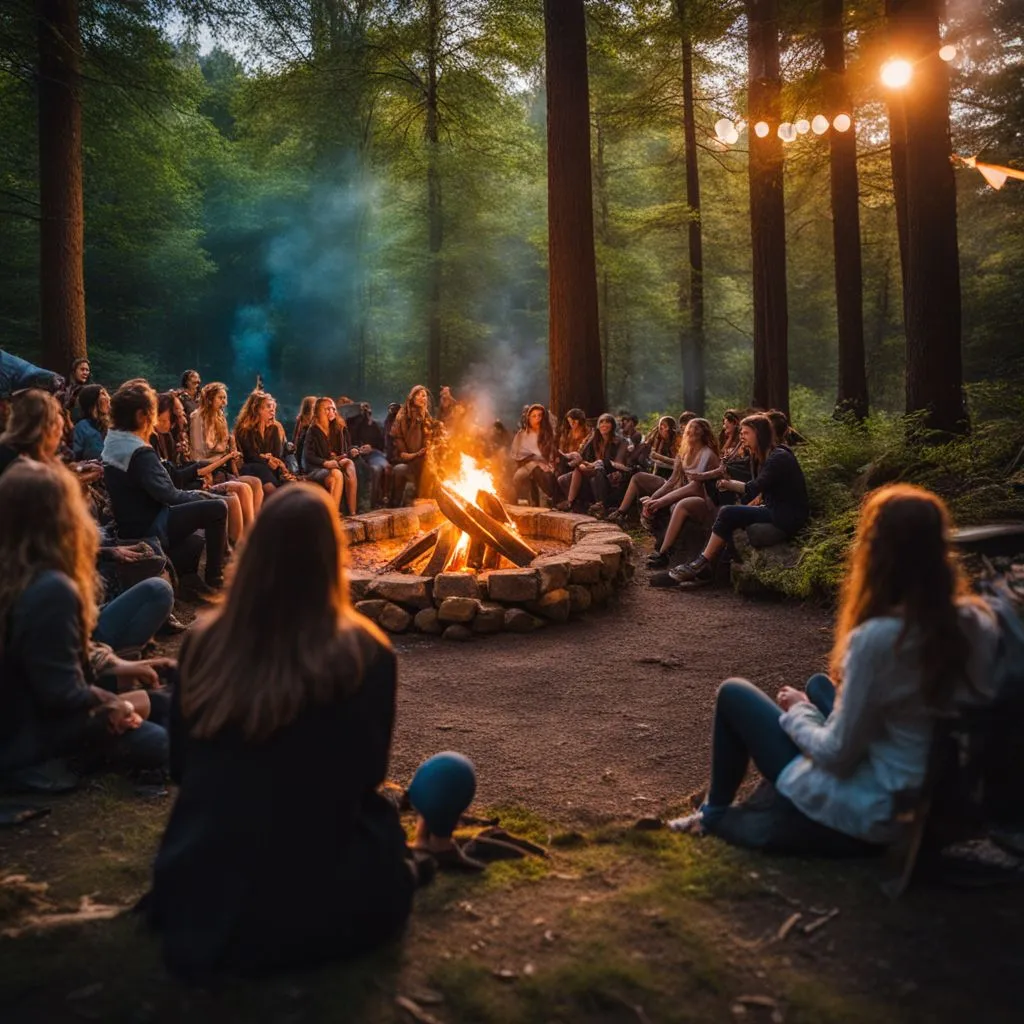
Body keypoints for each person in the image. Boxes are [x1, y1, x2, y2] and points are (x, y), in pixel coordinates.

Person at [143, 484, 477, 978]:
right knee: (413, 806)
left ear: (255, 549)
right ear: (330, 557)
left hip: (202, 892)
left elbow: (182, 767)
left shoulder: (201, 643)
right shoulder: (365, 653)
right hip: (315, 899)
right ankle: (428, 845)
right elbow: (366, 777)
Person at [666, 484, 1000, 849]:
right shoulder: (976, 622)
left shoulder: (879, 638)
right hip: (940, 790)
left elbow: (838, 756)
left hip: (881, 804)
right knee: (819, 684)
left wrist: (799, 713)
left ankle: (713, 815)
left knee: (735, 694)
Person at [0, 460, 172, 777]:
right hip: (30, 737)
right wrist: (115, 704)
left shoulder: (19, 571)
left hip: (28, 714)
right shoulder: (51, 589)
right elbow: (62, 693)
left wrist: (120, 666)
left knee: (164, 704)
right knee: (160, 740)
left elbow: (57, 661)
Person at [103, 381, 229, 591]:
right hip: (149, 525)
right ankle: (215, 577)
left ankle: (188, 580)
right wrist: (201, 497)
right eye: (152, 412)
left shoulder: (114, 441)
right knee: (217, 509)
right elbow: (169, 495)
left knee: (194, 542)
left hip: (133, 522)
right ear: (142, 415)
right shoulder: (138, 451)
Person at [667, 414, 809, 585]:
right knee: (728, 513)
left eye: (746, 433)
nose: (741, 437)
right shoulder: (761, 457)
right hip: (773, 509)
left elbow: (753, 487)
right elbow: (754, 492)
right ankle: (710, 568)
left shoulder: (779, 457)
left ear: (759, 434)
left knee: (728, 512)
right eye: (741, 433)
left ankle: (701, 564)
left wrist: (729, 484)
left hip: (786, 515)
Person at [152, 393, 253, 546]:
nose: (182, 415)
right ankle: (233, 551)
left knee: (247, 486)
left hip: (196, 475)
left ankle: (246, 541)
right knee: (232, 498)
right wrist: (203, 472)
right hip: (184, 485)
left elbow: (176, 468)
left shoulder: (168, 437)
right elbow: (178, 475)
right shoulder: (160, 436)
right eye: (178, 412)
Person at [643, 418, 722, 569]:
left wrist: (662, 501)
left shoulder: (708, 454)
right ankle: (665, 546)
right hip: (690, 496)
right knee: (665, 505)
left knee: (680, 505)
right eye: (688, 430)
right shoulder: (684, 453)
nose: (691, 433)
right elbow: (672, 481)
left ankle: (664, 554)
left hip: (707, 502)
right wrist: (653, 499)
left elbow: (695, 488)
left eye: (695, 430)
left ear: (703, 434)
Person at [189, 381, 263, 515]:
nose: (224, 402)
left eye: (225, 398)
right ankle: (241, 532)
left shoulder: (219, 416)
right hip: (208, 470)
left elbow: (224, 445)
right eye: (221, 398)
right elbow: (200, 453)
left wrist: (231, 449)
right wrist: (225, 448)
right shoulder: (198, 417)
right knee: (242, 488)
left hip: (222, 467)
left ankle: (252, 528)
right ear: (210, 399)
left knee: (256, 482)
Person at [607, 416, 679, 524]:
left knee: (637, 477)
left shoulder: (678, 442)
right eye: (661, 426)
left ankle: (621, 513)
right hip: (661, 475)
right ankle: (625, 514)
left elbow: (680, 464)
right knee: (635, 477)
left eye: (665, 426)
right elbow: (646, 457)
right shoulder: (659, 441)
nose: (662, 429)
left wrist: (660, 458)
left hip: (672, 480)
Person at [556, 413, 629, 516]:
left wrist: (598, 463)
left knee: (598, 468)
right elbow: (583, 458)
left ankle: (599, 505)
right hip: (592, 470)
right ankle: (574, 504)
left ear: (613, 425)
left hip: (610, 474)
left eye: (607, 422)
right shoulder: (594, 439)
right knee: (563, 479)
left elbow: (619, 464)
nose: (604, 424)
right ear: (598, 426)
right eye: (601, 422)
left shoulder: (621, 441)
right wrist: (582, 463)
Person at [234, 390, 289, 496]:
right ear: (257, 409)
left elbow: (276, 454)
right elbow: (250, 456)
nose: (272, 409)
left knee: (274, 469)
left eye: (273, 406)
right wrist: (266, 459)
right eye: (268, 406)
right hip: (251, 467)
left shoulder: (274, 428)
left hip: (269, 466)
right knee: (261, 468)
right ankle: (275, 496)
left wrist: (270, 459)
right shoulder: (244, 429)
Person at [302, 397, 349, 512]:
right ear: (318, 411)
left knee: (340, 474)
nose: (331, 411)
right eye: (327, 409)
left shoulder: (335, 428)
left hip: (329, 467)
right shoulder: (313, 430)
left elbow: (340, 450)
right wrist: (325, 462)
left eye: (333, 408)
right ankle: (333, 514)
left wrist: (337, 457)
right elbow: (308, 456)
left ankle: (337, 511)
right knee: (337, 475)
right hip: (314, 469)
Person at [390, 385, 434, 506]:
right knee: (418, 465)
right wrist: (414, 454)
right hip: (406, 457)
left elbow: (429, 439)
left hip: (422, 458)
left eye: (424, 395)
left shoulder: (427, 416)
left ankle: (427, 501)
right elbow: (401, 447)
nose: (422, 397)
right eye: (418, 394)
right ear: (412, 396)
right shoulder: (403, 416)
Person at [509, 403, 558, 503]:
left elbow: (551, 453)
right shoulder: (522, 434)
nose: (537, 418)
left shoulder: (547, 434)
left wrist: (544, 461)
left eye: (540, 415)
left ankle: (549, 499)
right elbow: (517, 454)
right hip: (526, 465)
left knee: (540, 472)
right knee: (517, 477)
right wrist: (531, 458)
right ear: (529, 418)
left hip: (545, 464)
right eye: (534, 416)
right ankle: (515, 503)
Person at [348, 402, 392, 508]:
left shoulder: (375, 425)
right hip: (359, 454)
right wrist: (358, 448)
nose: (366, 412)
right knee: (374, 469)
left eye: (367, 409)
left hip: (375, 453)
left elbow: (382, 444)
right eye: (363, 409)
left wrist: (371, 447)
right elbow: (350, 442)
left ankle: (382, 499)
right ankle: (371, 503)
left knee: (383, 467)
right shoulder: (353, 425)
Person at [71, 385, 110, 461]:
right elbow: (76, 456)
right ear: (92, 401)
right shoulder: (82, 427)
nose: (108, 398)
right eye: (102, 394)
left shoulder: (114, 424)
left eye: (106, 394)